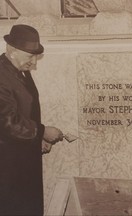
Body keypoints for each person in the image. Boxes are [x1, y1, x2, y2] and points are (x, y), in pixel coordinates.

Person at [0, 24, 64, 215]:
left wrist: (36, 139)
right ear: (12, 50)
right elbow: (7, 122)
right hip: (6, 165)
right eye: (30, 56)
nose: (34, 63)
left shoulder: (19, 70)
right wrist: (42, 131)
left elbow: (26, 111)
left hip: (22, 159)